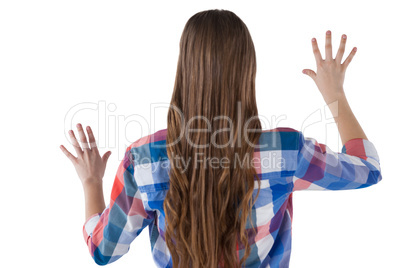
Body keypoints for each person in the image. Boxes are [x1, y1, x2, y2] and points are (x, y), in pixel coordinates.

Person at [60, 9, 382, 268]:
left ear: (184, 72)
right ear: (248, 73)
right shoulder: (286, 153)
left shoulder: (143, 160)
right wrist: (335, 94)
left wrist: (91, 182)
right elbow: (367, 168)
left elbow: (104, 250)